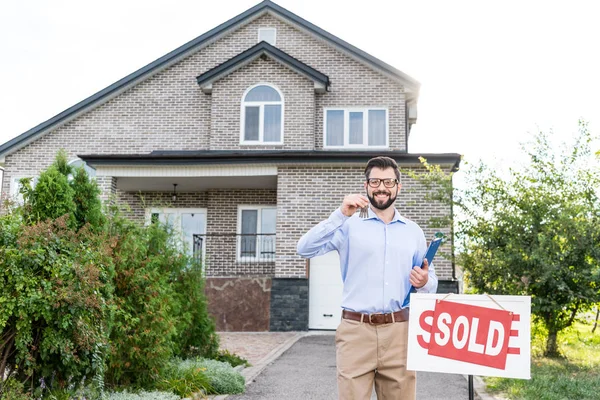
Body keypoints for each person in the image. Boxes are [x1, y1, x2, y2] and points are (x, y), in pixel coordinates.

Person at [297, 156, 438, 400]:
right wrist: (340, 214)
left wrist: (424, 281)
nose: (382, 187)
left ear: (398, 187)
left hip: (400, 332)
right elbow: (304, 249)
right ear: (366, 186)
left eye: (388, 182)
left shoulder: (413, 231)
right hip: (356, 331)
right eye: (375, 181)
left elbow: (430, 281)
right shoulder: (347, 225)